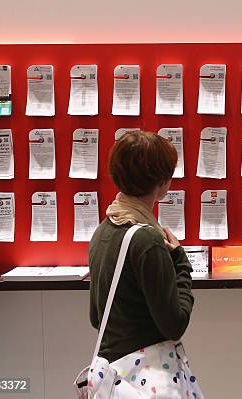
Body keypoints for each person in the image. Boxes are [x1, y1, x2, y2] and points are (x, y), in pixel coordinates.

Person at [88, 130, 194, 364]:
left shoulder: (103, 230)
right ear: (162, 181)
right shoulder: (147, 240)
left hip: (114, 374)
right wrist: (180, 262)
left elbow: (97, 317)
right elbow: (175, 325)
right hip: (147, 375)